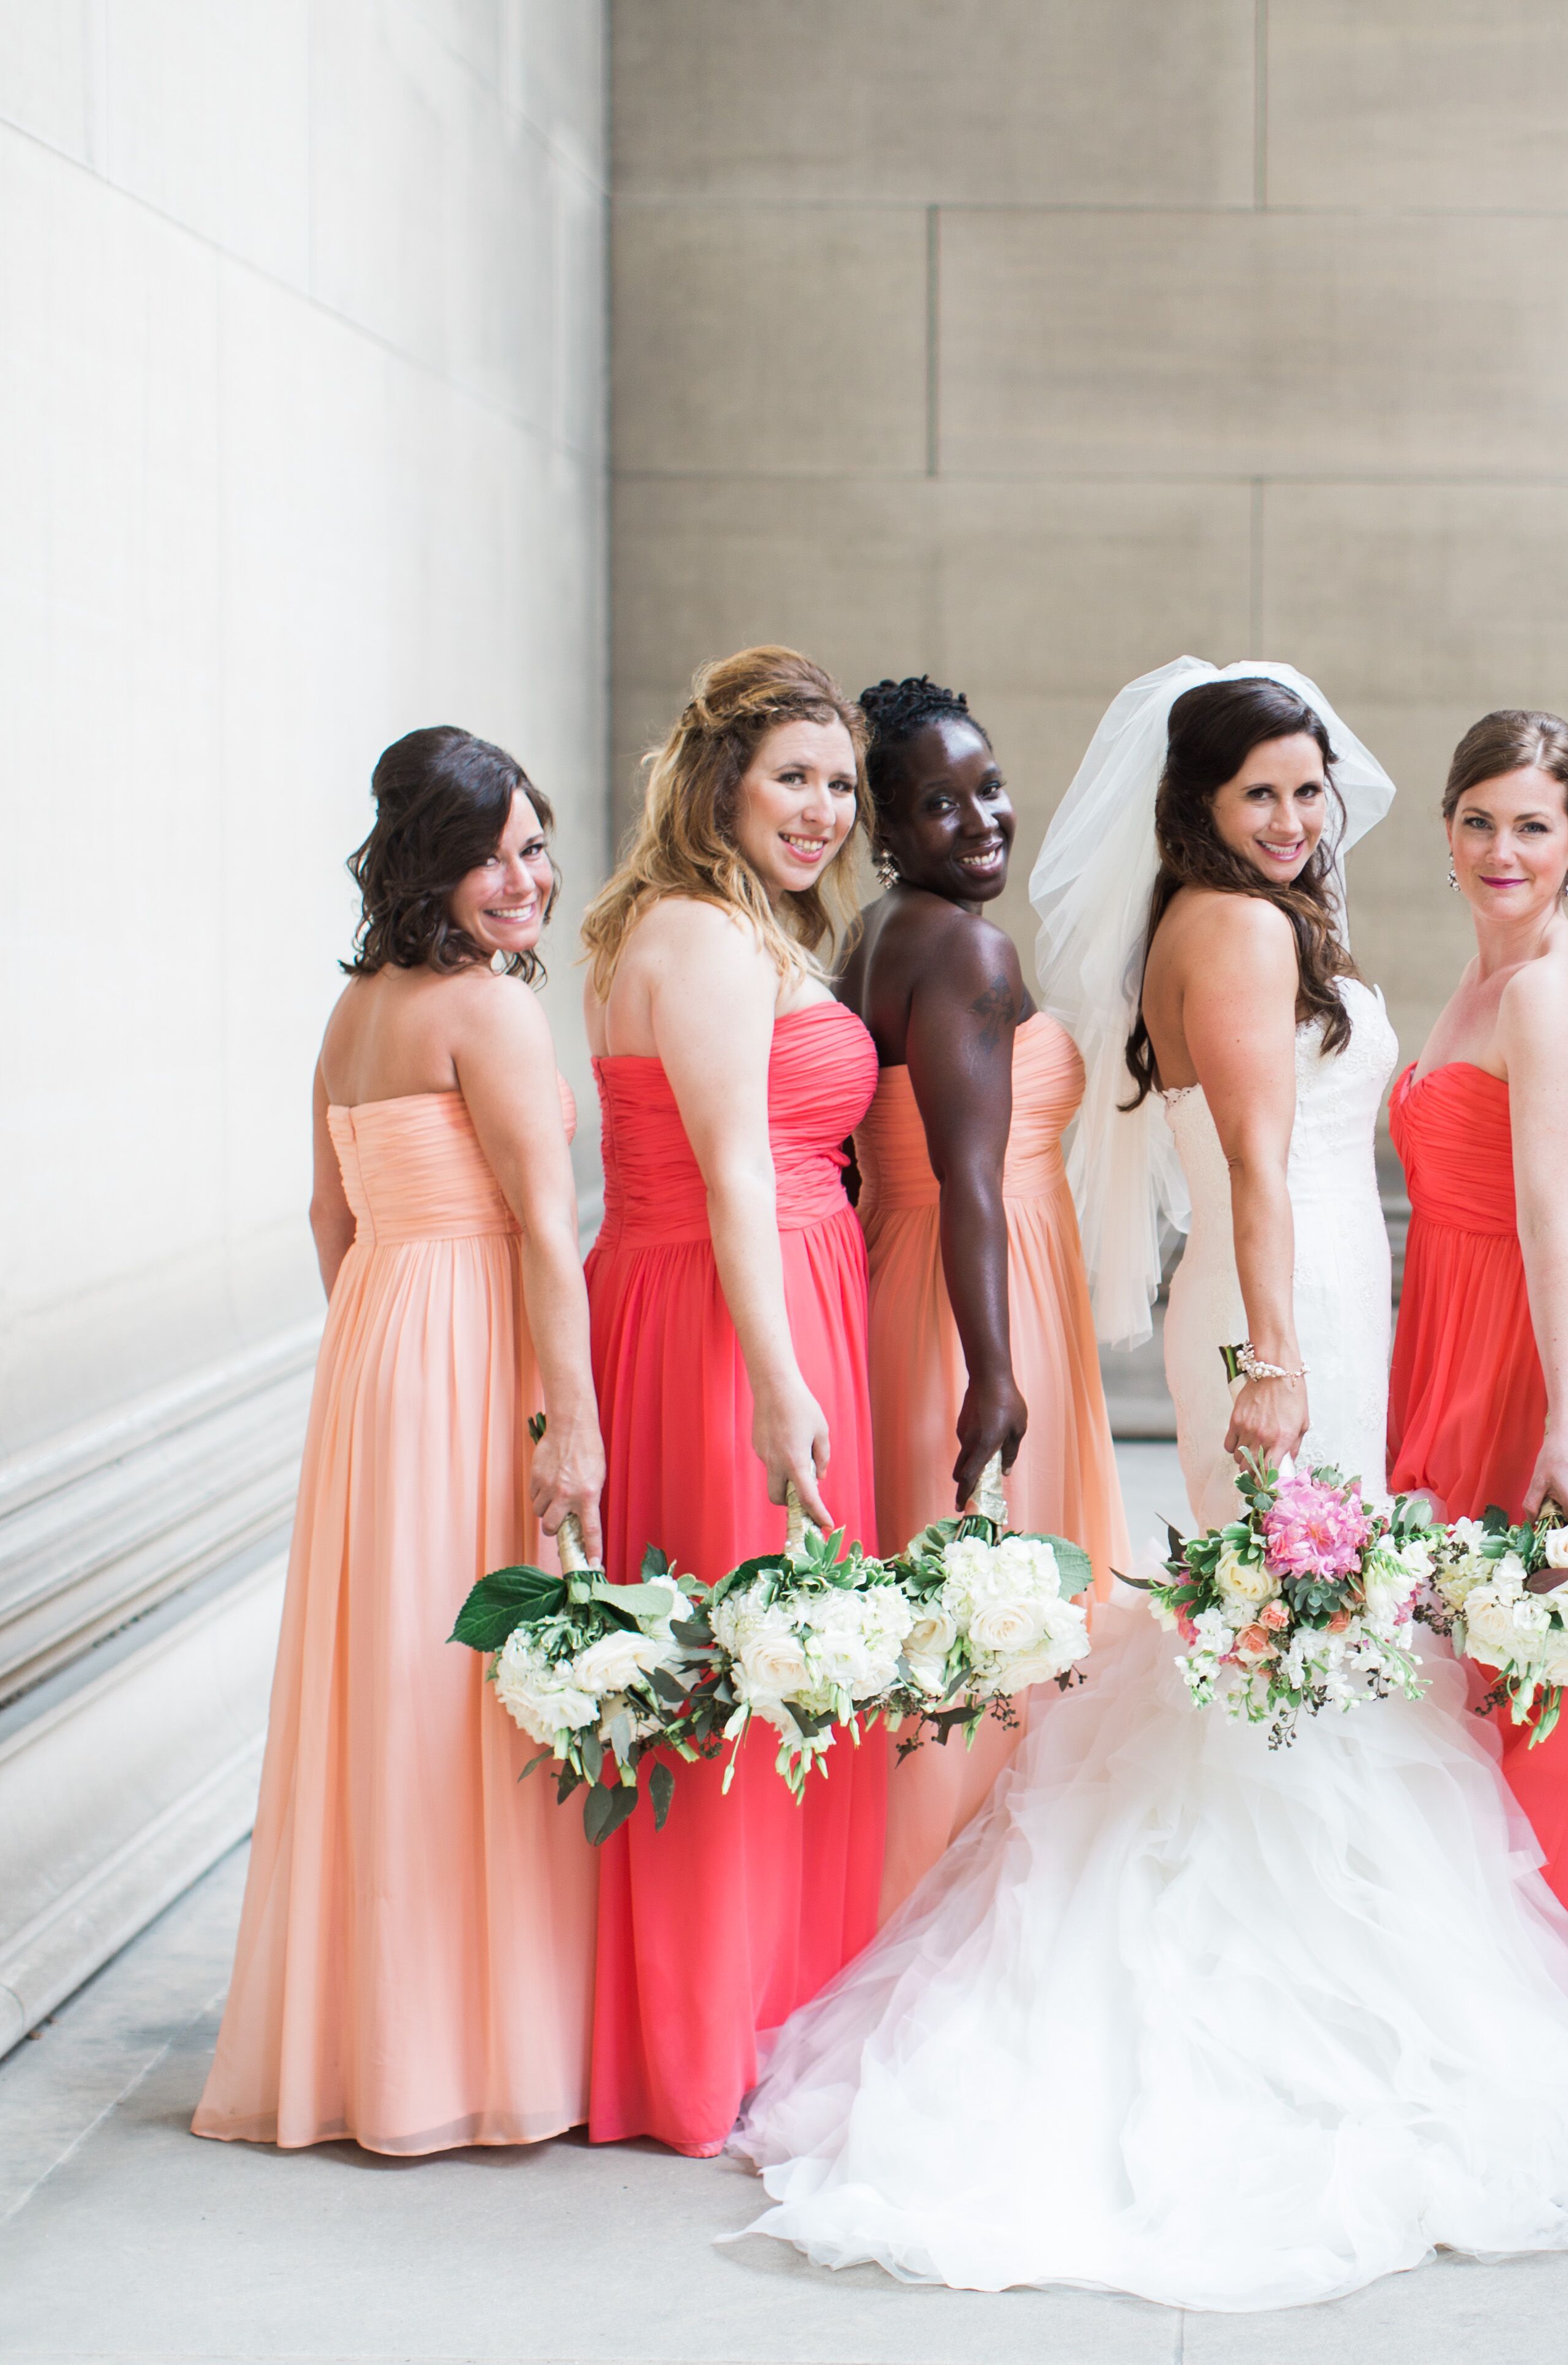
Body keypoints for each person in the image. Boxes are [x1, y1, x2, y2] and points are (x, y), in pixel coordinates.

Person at [726, 660, 1568, 2311]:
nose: (1300, 818)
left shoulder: (1242, 914)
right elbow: (1253, 1161)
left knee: (1290, 1648)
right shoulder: (1238, 930)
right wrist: (1272, 1359)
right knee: (1289, 1651)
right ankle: (1290, 1999)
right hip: (1283, 1309)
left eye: (1313, 790)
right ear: (1199, 806)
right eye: (1264, 794)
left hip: (1304, 1299)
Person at [194, 727, 598, 2153]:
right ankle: (463, 2057)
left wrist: (381, 1349)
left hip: (377, 1343)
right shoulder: (487, 1012)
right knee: (461, 1697)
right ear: (429, 861)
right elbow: (548, 1230)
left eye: (535, 847)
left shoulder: (355, 1007)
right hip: (472, 1335)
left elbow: (329, 1220)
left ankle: (373, 2049)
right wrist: (575, 1427)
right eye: (490, 854)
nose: (521, 879)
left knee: (384, 1681)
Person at [575, 647, 886, 2157]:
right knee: (731, 1661)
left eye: (840, 783)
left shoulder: (744, 925)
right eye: (793, 778)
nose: (823, 809)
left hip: (771, 1293)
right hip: (718, 1315)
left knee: (776, 1666)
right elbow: (732, 1171)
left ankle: (766, 2007)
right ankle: (702, 2045)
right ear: (720, 783)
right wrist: (777, 1383)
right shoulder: (699, 936)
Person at [837, 674, 1131, 1918]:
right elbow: (966, 1176)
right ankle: (965, 1919)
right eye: (940, 805)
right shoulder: (967, 945)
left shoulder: (876, 934)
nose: (983, 821)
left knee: (940, 1619)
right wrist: (997, 1373)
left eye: (991, 787)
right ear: (889, 831)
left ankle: (901, 1898)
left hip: (910, 1278)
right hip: (982, 1296)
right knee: (992, 1616)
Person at [1384, 708, 1568, 2019]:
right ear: (1447, 832)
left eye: (1532, 826)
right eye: (1480, 820)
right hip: (1454, 1316)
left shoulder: (1546, 991)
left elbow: (1560, 1218)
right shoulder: (1479, 979)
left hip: (1536, 1341)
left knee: (1530, 1657)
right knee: (1458, 1653)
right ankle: (1462, 1972)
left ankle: (1550, 1994)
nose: (1502, 848)